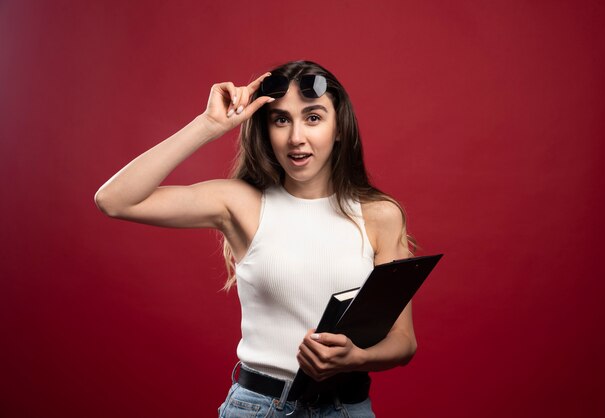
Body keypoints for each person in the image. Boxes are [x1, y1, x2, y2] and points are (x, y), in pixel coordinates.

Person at [95, 60, 417, 417]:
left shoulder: (380, 215)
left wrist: (358, 358)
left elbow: (403, 342)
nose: (297, 137)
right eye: (281, 119)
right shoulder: (241, 204)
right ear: (266, 129)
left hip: (347, 408)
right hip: (259, 407)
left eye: (313, 118)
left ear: (339, 127)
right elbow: (115, 200)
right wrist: (209, 125)